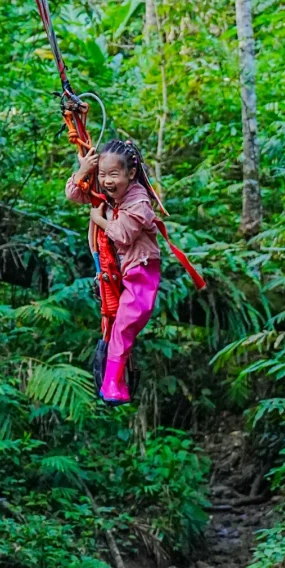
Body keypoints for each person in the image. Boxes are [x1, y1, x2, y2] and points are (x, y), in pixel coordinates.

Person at [66, 139, 160, 403]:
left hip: (142, 271)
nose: (107, 181)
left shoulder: (139, 200)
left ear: (131, 174)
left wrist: (98, 219)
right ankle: (115, 384)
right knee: (118, 326)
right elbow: (74, 194)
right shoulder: (107, 195)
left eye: (114, 174)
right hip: (120, 272)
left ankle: (111, 385)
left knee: (124, 326)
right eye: (103, 175)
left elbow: (123, 235)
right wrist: (84, 171)